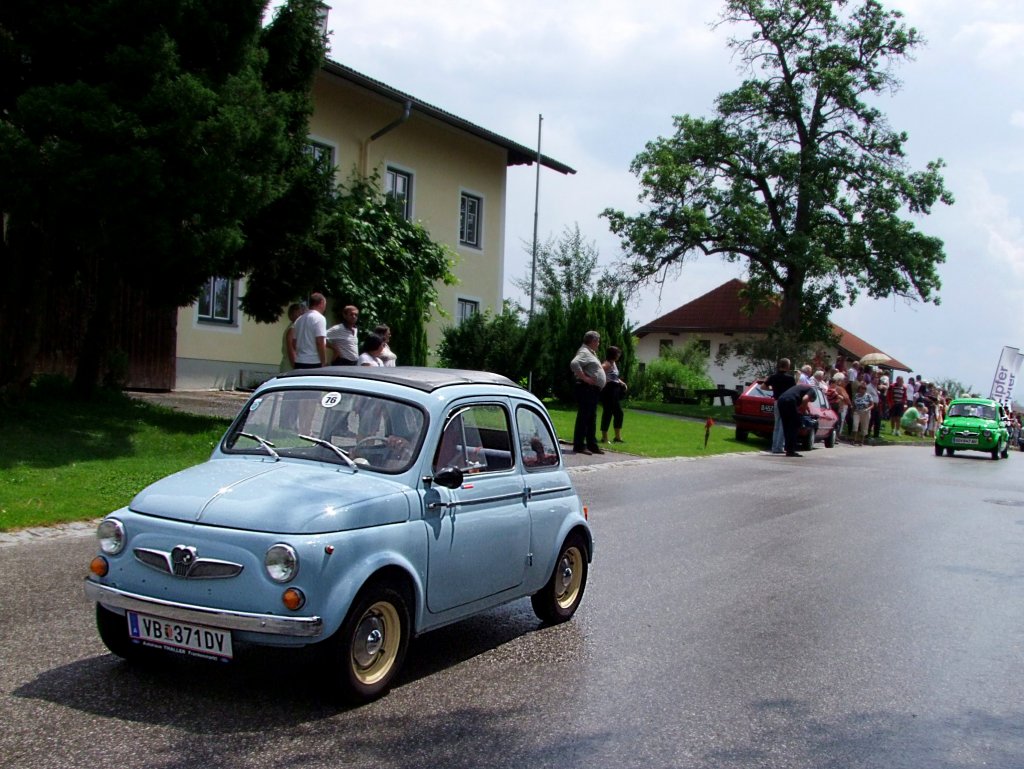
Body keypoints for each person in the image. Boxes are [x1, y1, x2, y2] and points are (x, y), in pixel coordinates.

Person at [569, 330, 606, 456]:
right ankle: (579, 445)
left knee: (591, 418)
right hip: (586, 389)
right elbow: (574, 363)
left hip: (593, 390)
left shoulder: (591, 352)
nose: (599, 343)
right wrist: (585, 378)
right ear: (593, 341)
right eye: (598, 341)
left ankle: (592, 444)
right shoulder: (584, 352)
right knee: (584, 417)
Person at [763, 358, 796, 454]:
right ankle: (779, 447)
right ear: (787, 366)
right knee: (783, 424)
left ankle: (774, 446)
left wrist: (772, 389)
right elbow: (794, 389)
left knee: (777, 424)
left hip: (777, 401)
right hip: (786, 402)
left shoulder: (773, 377)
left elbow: (763, 386)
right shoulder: (790, 378)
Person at [775, 383, 814, 457]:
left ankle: (788, 449)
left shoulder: (799, 388)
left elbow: (802, 401)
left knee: (786, 425)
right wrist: (802, 411)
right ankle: (790, 450)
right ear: (813, 397)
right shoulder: (811, 390)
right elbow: (805, 399)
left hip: (781, 400)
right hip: (790, 401)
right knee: (794, 426)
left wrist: (804, 408)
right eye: (810, 401)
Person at [292, 292, 328, 369]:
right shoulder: (319, 318)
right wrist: (323, 361)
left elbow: (294, 342)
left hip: (299, 361)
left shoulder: (299, 319)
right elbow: (320, 342)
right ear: (321, 303)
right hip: (313, 362)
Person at [599, 346, 627, 444]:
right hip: (608, 390)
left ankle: (617, 437)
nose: (619, 355)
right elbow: (600, 371)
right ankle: (604, 438)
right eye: (618, 353)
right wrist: (604, 382)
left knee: (619, 413)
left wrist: (621, 382)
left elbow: (613, 376)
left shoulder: (614, 363)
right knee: (608, 413)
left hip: (615, 390)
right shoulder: (607, 364)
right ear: (613, 354)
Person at [282, 301, 306, 371]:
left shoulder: (294, 327)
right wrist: (296, 368)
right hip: (290, 368)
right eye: (300, 313)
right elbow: (291, 351)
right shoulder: (293, 328)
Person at [851, 381, 873, 446]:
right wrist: (852, 410)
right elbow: (853, 404)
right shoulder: (856, 395)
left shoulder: (868, 396)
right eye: (861, 388)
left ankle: (862, 441)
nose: (862, 390)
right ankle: (854, 440)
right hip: (857, 411)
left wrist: (867, 409)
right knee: (855, 425)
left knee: (864, 426)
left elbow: (872, 404)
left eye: (864, 388)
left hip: (865, 412)